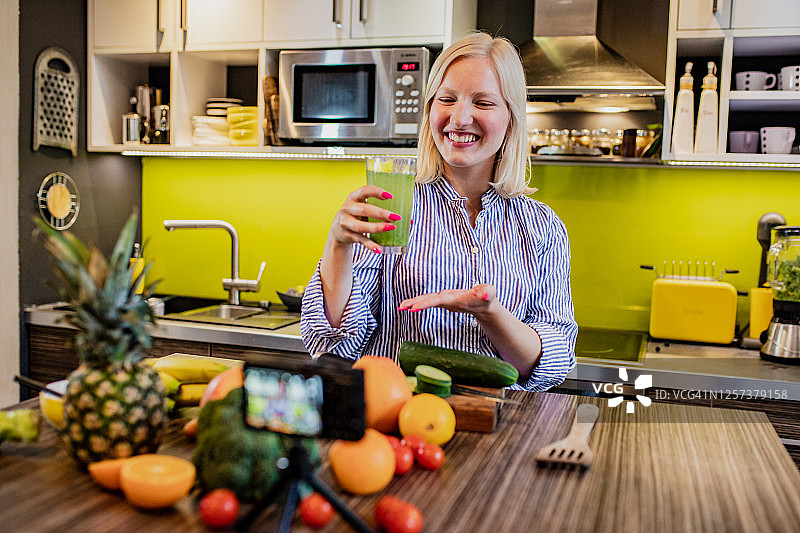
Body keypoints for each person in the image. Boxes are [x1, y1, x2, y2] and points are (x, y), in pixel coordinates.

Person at [301, 32, 576, 391]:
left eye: (483, 102)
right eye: (446, 99)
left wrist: (489, 312)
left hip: (499, 428)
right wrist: (338, 245)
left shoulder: (542, 226)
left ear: (512, 116)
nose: (459, 118)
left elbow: (550, 366)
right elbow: (332, 347)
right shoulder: (390, 205)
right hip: (397, 419)